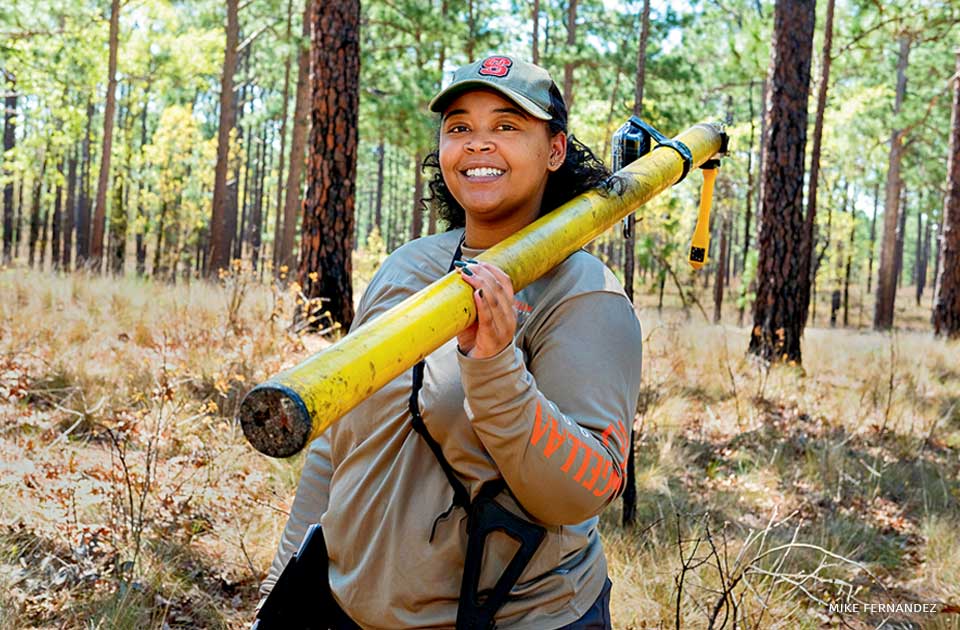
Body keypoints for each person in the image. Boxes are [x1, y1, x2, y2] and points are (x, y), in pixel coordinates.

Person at [259, 55, 643, 629]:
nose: (478, 145)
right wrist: (282, 580)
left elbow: (581, 491)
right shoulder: (407, 268)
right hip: (344, 610)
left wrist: (494, 368)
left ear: (555, 151)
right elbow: (336, 444)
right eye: (460, 127)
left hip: (513, 619)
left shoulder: (584, 295)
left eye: (507, 127)